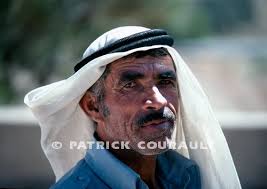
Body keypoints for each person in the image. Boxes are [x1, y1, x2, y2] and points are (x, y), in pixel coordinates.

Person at [24, 26, 242, 189]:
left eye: (166, 82)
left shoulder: (189, 175)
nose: (159, 101)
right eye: (130, 85)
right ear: (93, 106)